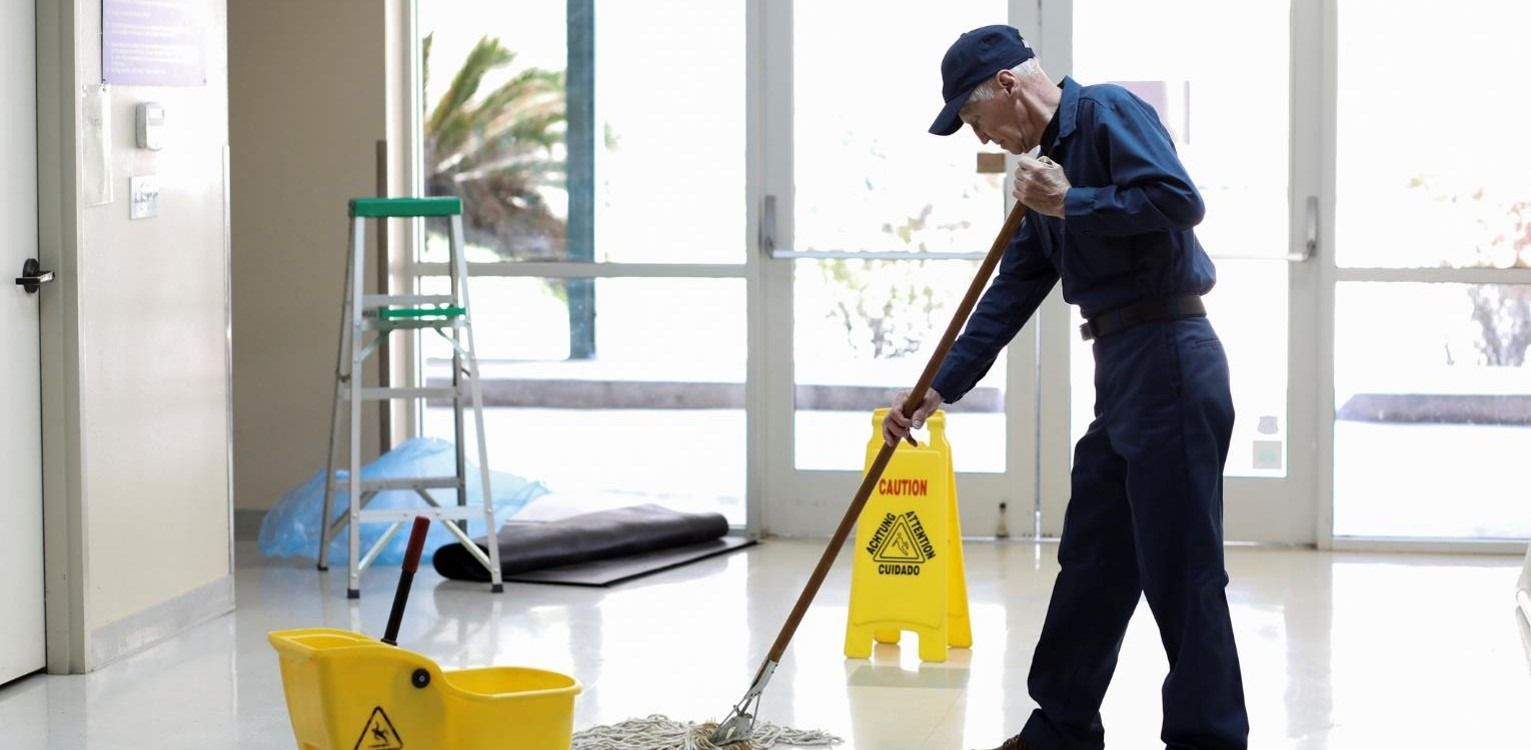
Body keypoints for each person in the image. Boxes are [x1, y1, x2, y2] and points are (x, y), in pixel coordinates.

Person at [881, 25, 1250, 750]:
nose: (978, 136)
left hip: (1172, 356)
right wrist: (937, 387)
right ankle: (1061, 728)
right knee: (1093, 556)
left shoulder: (1107, 113)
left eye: (973, 119)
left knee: (1181, 571)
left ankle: (1208, 740)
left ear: (1007, 88)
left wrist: (1071, 203)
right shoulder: (1039, 174)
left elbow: (1177, 200)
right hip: (1121, 369)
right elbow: (1010, 290)